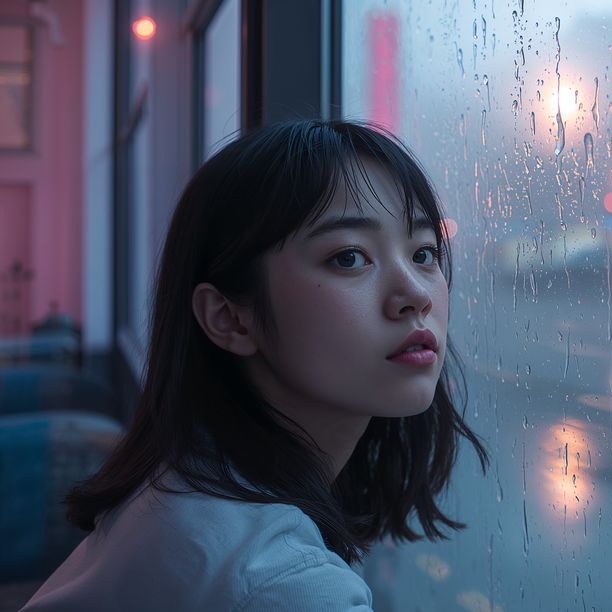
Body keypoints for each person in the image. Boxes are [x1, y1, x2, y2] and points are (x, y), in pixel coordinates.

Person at [21, 120, 488, 611]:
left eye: (424, 253)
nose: (415, 295)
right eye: (349, 257)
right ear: (229, 318)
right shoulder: (277, 581)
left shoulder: (188, 481)